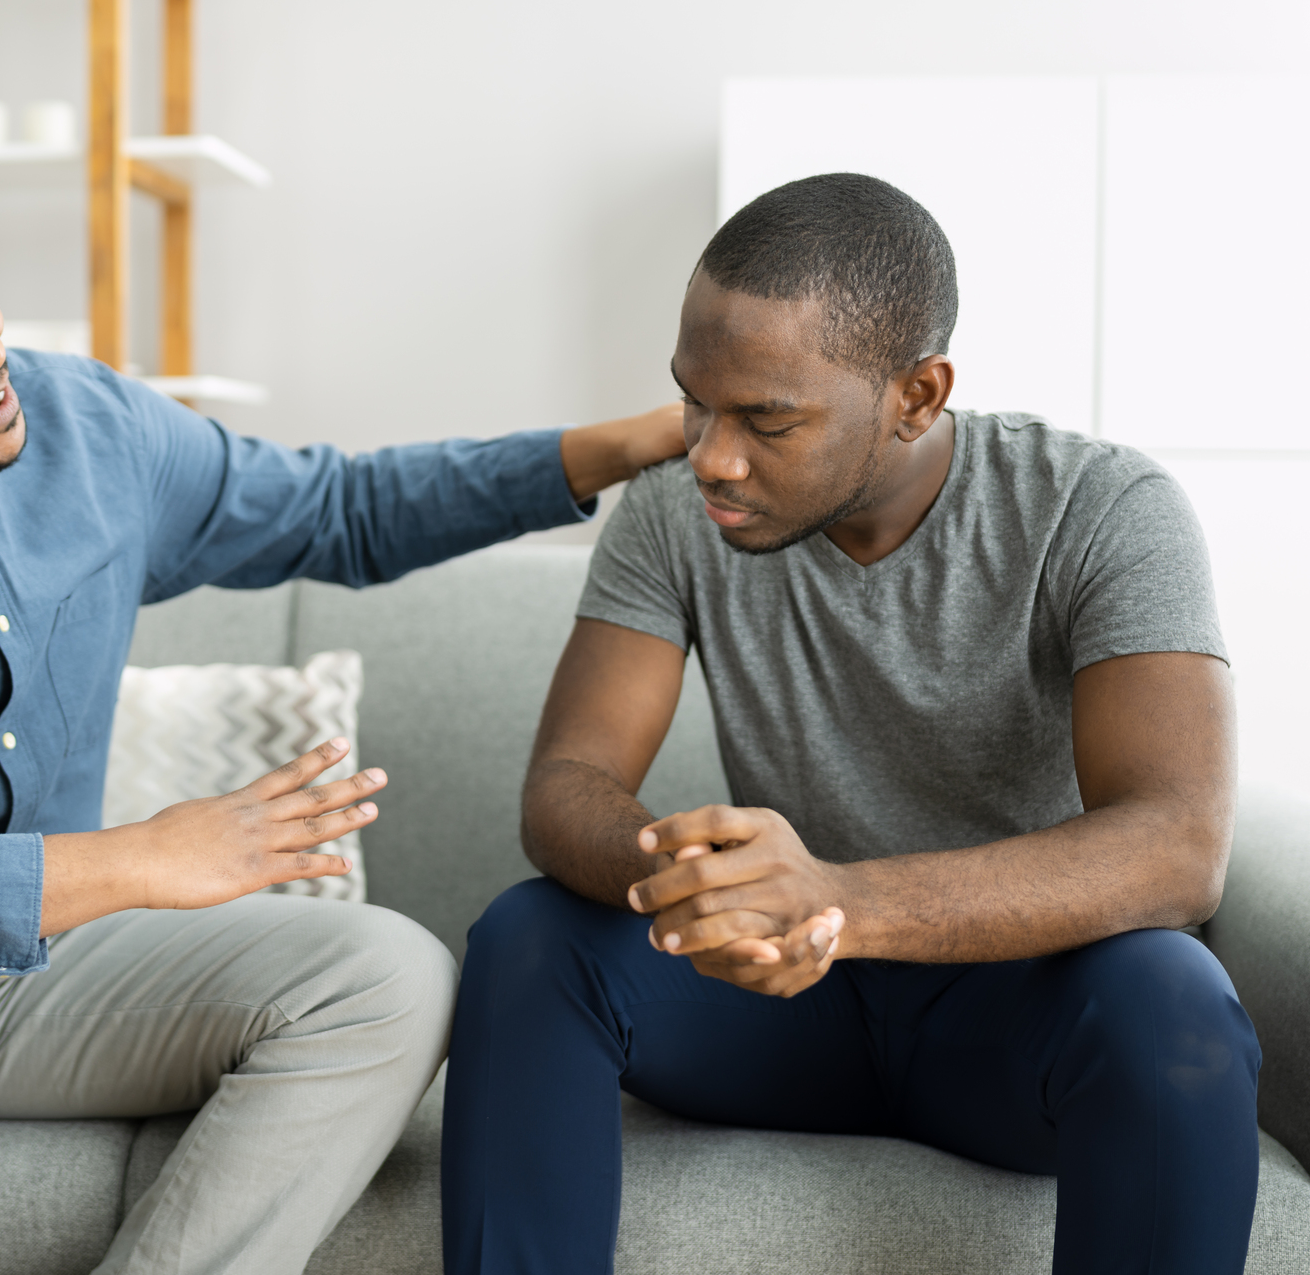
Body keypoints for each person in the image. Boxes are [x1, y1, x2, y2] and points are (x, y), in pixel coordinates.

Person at [0, 168, 685, 1275]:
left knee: (388, 974)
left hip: (58, 973)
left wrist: (619, 446)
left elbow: (337, 510)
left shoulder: (87, 426)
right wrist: (134, 860)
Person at [441, 173, 1259, 1274]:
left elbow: (1173, 843)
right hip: (777, 1013)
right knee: (529, 936)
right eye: (694, 401)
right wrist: (714, 888)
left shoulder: (1099, 508)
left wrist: (837, 902)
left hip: (1011, 1019)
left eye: (765, 419)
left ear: (915, 396)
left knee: (1169, 997)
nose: (710, 456)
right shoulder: (679, 509)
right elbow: (568, 779)